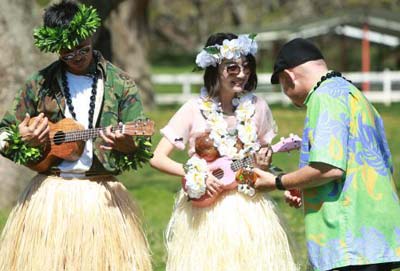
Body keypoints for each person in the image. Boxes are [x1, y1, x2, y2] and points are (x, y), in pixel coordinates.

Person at [0, 1, 152, 270]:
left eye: (84, 49)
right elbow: (4, 134)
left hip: (102, 195)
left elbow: (140, 144)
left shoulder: (120, 83)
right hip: (50, 197)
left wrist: (128, 144)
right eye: (68, 54)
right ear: (56, 49)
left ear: (91, 36)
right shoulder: (40, 84)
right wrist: (21, 138)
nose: (78, 57)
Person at [150, 32, 298, 271]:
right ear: (214, 69)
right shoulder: (193, 109)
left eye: (246, 67)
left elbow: (261, 160)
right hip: (206, 212)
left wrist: (264, 164)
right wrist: (196, 174)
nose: (242, 74)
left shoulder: (258, 108)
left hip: (250, 208)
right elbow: (157, 158)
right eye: (232, 68)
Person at [254, 38, 400, 271]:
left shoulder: (324, 97)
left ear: (289, 77)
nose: (286, 94)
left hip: (349, 236)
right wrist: (304, 186)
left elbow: (329, 168)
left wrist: (278, 182)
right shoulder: (353, 93)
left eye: (282, 84)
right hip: (376, 232)